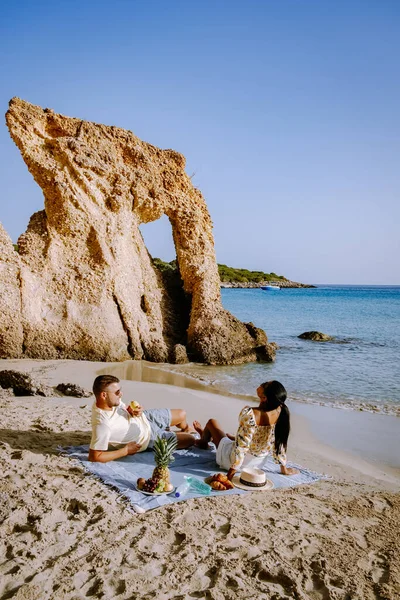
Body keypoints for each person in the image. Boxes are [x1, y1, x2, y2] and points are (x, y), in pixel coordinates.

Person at [193, 380, 299, 480]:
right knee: (230, 437)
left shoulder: (251, 414)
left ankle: (203, 441)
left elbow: (242, 447)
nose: (262, 383)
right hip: (257, 464)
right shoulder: (280, 411)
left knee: (212, 422)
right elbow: (279, 442)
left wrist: (230, 475)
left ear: (264, 398)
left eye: (265, 384)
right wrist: (284, 469)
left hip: (233, 462)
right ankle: (215, 438)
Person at [89, 375, 195, 463]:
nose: (121, 394)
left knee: (182, 414)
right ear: (104, 395)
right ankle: (177, 433)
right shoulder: (103, 425)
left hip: (146, 417)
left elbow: (123, 407)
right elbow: (95, 457)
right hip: (149, 437)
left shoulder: (108, 402)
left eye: (120, 390)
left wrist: (132, 410)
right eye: (117, 392)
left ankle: (184, 429)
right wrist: (125, 451)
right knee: (191, 439)